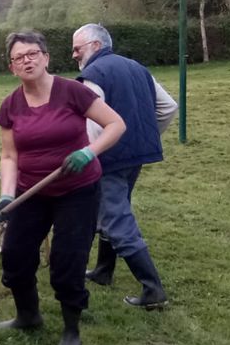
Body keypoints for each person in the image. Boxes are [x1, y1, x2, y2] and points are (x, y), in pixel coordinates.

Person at [0, 31, 125, 345]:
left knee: (67, 260)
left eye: (33, 53)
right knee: (15, 254)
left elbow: (116, 125)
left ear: (47, 57)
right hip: (31, 191)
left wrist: (89, 153)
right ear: (12, 67)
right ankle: (28, 315)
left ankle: (71, 329)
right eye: (19, 57)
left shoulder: (72, 91)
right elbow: (9, 156)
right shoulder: (10, 106)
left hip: (77, 190)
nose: (27, 59)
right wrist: (7, 195)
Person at [72, 23, 177, 309]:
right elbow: (168, 107)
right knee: (113, 209)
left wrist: (89, 155)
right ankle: (104, 271)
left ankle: (153, 290)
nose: (73, 54)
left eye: (77, 48)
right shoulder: (137, 67)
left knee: (117, 218)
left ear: (95, 45)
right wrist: (144, 136)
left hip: (108, 158)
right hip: (136, 156)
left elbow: (91, 125)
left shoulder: (93, 75)